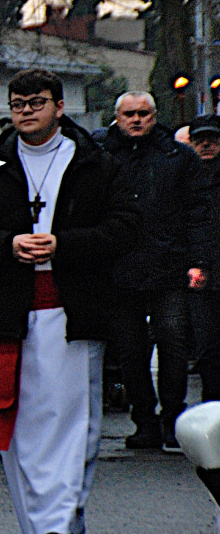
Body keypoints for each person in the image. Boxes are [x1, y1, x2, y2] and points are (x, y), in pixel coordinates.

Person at [0, 68, 137, 534]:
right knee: (23, 426)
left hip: (73, 313)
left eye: (37, 101)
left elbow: (123, 228)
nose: (27, 109)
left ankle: (62, 525)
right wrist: (8, 245)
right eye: (18, 102)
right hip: (13, 314)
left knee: (76, 426)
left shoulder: (93, 162)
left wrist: (63, 246)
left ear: (58, 106)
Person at [99, 91, 212, 451]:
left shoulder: (178, 157)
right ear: (116, 117)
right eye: (129, 114)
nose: (136, 120)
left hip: (169, 265)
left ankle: (172, 418)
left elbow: (199, 213)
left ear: (154, 115)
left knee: (173, 344)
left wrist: (198, 261)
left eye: (143, 114)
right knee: (131, 350)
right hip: (121, 268)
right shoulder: (103, 156)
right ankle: (145, 420)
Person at [187, 115, 220, 403]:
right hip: (200, 275)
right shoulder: (184, 178)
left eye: (212, 139)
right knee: (207, 347)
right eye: (200, 140)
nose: (206, 145)